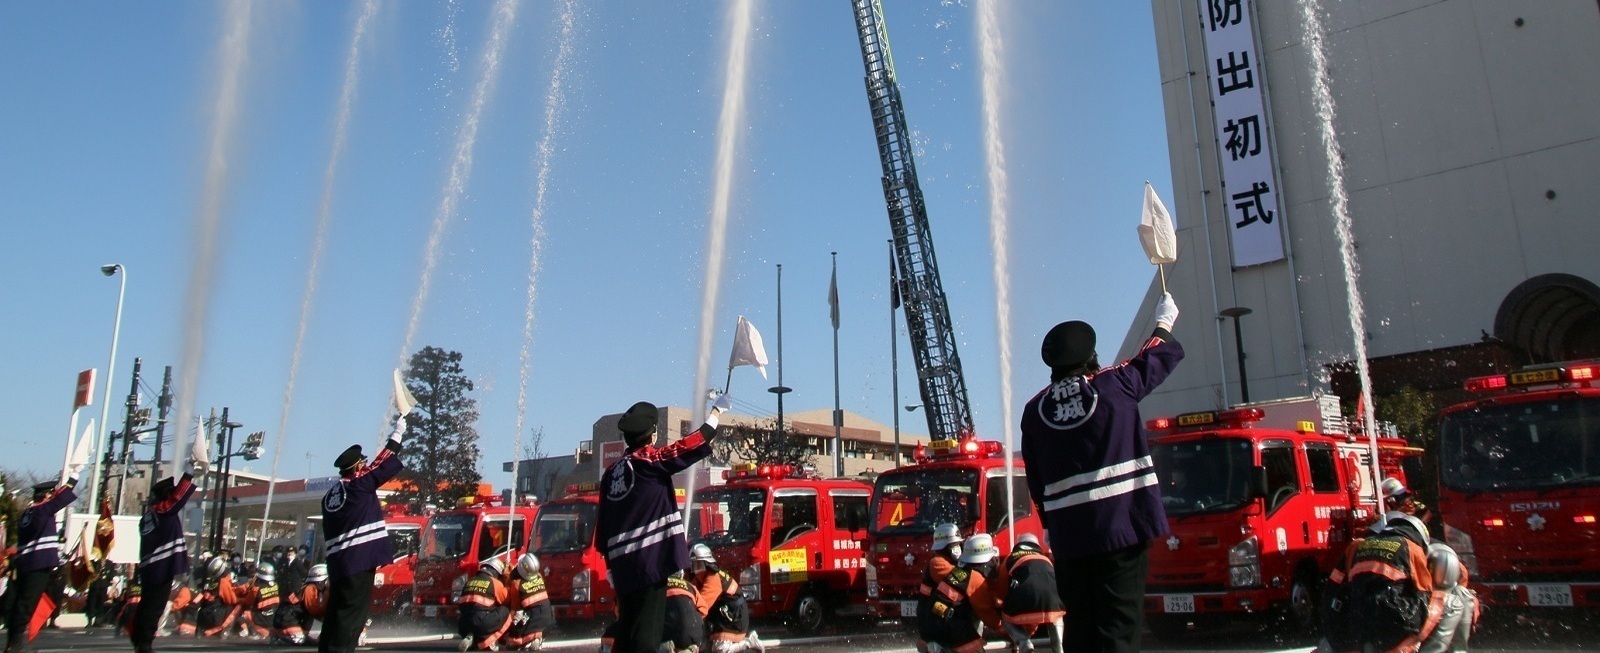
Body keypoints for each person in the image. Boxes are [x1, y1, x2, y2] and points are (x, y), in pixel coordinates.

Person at [1019, 292, 1182, 653]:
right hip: (1121, 532)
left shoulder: (1034, 412)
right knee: (1117, 631)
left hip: (1070, 541)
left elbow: (1036, 480)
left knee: (1081, 631)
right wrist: (1164, 322)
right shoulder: (1113, 385)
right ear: (1091, 358)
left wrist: (1052, 525)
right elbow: (1153, 358)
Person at [595, 394, 730, 653]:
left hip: (622, 570)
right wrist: (716, 413)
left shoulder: (611, 473)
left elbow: (603, 529)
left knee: (628, 631)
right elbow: (691, 445)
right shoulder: (649, 461)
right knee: (647, 635)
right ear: (653, 434)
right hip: (650, 563)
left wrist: (611, 567)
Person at [318, 412, 408, 653]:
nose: (365, 466)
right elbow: (382, 464)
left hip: (338, 566)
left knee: (336, 615)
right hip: (358, 563)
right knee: (352, 618)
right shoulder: (359, 485)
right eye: (362, 464)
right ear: (357, 467)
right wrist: (397, 434)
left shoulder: (329, 497)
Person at [1319, 515, 1441, 652]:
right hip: (1392, 621)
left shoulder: (1360, 544)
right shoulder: (1412, 548)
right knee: (1437, 599)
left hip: (1358, 619)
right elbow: (1423, 591)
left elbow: (1334, 586)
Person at [5, 466, 80, 653]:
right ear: (46, 496)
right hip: (37, 564)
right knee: (25, 606)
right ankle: (15, 647)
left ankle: (12, 644)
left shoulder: (27, 513)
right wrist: (73, 479)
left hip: (27, 563)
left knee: (22, 604)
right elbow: (60, 500)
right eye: (50, 495)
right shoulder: (40, 511)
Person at [130, 460, 202, 653]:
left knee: (148, 605)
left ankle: (140, 640)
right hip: (160, 567)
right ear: (164, 496)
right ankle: (144, 644)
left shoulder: (149, 515)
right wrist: (188, 474)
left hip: (151, 568)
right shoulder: (162, 511)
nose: (172, 496)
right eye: (169, 493)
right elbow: (178, 500)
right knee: (154, 606)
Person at [919, 533, 1002, 653]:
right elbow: (987, 614)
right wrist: (1006, 628)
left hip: (931, 626)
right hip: (950, 627)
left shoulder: (961, 572)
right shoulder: (975, 580)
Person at [995, 534, 1065, 653]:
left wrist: (1002, 602)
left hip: (1024, 595)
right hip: (1052, 598)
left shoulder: (1010, 558)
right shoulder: (1045, 558)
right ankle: (1059, 647)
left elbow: (1001, 588)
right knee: (1056, 615)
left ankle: (1023, 642)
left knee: (1006, 617)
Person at [688, 543, 762, 653]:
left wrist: (688, 621)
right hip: (723, 615)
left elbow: (702, 608)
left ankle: (749, 642)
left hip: (733, 618)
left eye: (699, 565)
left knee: (719, 649)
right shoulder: (701, 579)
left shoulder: (713, 579)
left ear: (707, 564)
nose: (696, 570)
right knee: (704, 647)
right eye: (694, 566)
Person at [915, 523, 965, 653]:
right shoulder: (938, 562)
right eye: (954, 545)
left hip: (938, 618)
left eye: (959, 544)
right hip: (933, 621)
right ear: (944, 547)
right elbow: (962, 580)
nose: (958, 548)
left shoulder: (948, 561)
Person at [1420, 543, 1476, 653]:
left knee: (1460, 598)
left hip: (1445, 607)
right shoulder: (1418, 560)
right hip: (1420, 597)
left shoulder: (1460, 573)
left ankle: (1458, 650)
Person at [456, 558, 512, 651]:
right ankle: (489, 642)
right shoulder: (494, 582)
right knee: (506, 610)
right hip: (482, 623)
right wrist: (507, 579)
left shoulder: (470, 581)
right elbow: (507, 599)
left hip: (463, 624)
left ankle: (471, 636)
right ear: (496, 572)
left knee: (478, 613)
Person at [502, 553, 555, 651]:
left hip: (532, 620)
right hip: (549, 621)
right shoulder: (539, 577)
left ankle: (531, 638)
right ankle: (538, 636)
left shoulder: (516, 585)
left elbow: (515, 610)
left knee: (511, 640)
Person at [277, 564, 329, 646]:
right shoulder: (310, 588)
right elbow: (314, 610)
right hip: (288, 621)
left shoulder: (311, 587)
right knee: (301, 641)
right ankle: (280, 638)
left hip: (294, 620)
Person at [661, 572, 705, 653]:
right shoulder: (690, 586)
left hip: (667, 637)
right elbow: (704, 610)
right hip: (691, 637)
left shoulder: (658, 586)